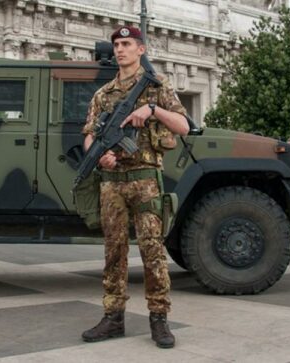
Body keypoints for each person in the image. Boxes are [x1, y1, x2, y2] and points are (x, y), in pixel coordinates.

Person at [80, 26, 189, 348]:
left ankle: (159, 319)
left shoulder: (157, 87)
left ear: (141, 49)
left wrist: (153, 110)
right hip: (112, 184)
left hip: (144, 180)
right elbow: (89, 135)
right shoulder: (104, 94)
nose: (120, 49)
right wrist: (99, 158)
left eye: (126, 44)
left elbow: (183, 125)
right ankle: (113, 318)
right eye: (116, 44)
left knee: (152, 251)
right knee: (113, 253)